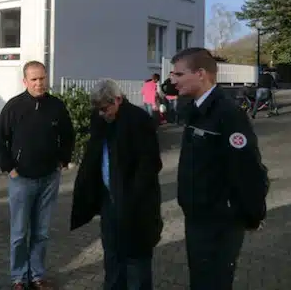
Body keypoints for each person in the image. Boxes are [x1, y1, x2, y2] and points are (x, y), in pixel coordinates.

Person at [170, 47, 269, 290]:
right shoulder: (195, 109)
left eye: (179, 74)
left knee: (213, 283)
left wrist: (253, 215)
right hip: (196, 217)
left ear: (201, 74)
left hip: (219, 222)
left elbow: (249, 172)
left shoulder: (228, 114)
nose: (172, 80)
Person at [0, 61, 75, 290]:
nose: (39, 83)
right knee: (19, 234)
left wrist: (62, 160)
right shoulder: (14, 107)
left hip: (49, 178)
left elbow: (68, 134)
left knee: (42, 232)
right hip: (22, 180)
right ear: (25, 81)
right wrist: (10, 168)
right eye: (34, 79)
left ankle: (37, 275)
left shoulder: (56, 106)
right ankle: (18, 277)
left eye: (42, 78)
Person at [70, 79, 163, 290]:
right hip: (109, 202)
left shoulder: (139, 120)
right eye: (98, 110)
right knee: (112, 258)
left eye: (105, 108)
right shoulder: (101, 120)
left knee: (136, 261)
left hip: (135, 205)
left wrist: (131, 197)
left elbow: (150, 164)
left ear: (118, 99)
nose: (102, 114)